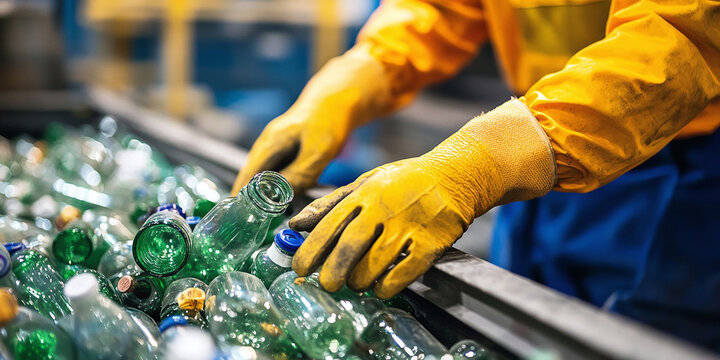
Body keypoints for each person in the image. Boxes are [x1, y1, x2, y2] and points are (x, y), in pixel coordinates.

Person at [233, 0, 720, 350]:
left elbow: (681, 36)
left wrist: (477, 166)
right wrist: (353, 80)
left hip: (683, 172)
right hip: (537, 155)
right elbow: (439, 8)